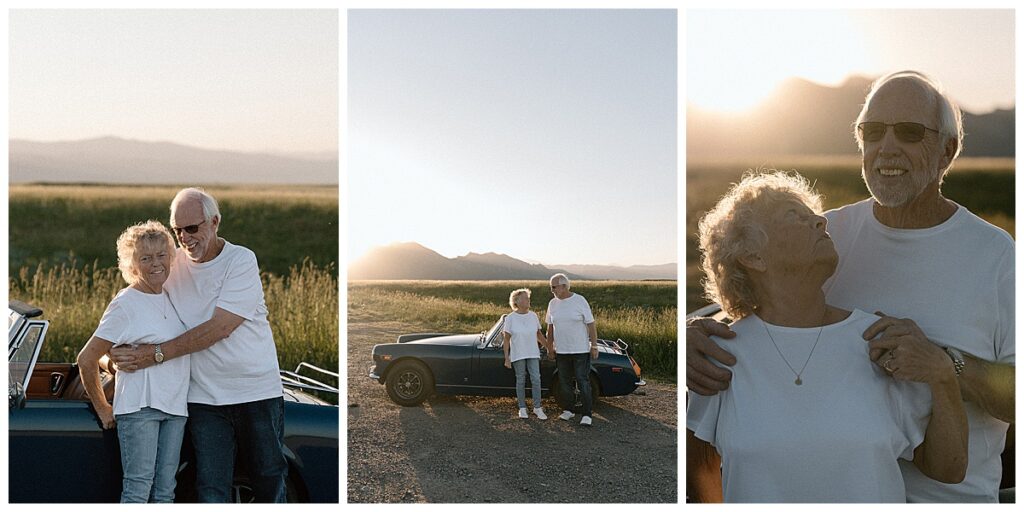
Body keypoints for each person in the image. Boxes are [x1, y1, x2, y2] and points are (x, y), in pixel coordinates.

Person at [687, 71, 1014, 502]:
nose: (887, 147)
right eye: (873, 132)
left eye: (910, 133)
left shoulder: (996, 254)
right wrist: (693, 331)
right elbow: (769, 306)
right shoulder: (829, 237)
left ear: (946, 152)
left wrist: (945, 364)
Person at [686, 171, 968, 503]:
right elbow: (701, 466)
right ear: (752, 257)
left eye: (814, 215)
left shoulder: (877, 339)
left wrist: (943, 375)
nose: (820, 221)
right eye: (794, 216)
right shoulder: (719, 354)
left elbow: (948, 469)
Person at [110, 188, 288, 503]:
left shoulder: (241, 260)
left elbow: (218, 328)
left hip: (256, 393)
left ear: (214, 222)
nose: (185, 238)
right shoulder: (171, 264)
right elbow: (132, 307)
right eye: (178, 232)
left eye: (192, 228)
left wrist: (154, 355)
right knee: (210, 488)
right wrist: (114, 359)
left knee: (268, 479)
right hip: (202, 399)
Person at [78, 221, 191, 503]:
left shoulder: (171, 296)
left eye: (161, 255)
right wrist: (103, 408)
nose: (156, 264)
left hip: (175, 408)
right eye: (146, 258)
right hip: (140, 409)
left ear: (170, 257)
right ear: (132, 264)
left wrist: (112, 361)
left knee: (165, 492)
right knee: (138, 490)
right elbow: (87, 358)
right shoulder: (125, 303)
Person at [545, 273, 599, 427]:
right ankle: (568, 410)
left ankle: (587, 414)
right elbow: (550, 327)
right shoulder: (552, 304)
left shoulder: (579, 300)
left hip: (580, 350)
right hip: (561, 351)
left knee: (583, 381)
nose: (552, 290)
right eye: (551, 287)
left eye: (554, 287)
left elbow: (591, 324)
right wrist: (550, 347)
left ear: (564, 286)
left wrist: (594, 346)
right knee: (564, 382)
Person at [502, 288, 551, 420]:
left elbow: (539, 335)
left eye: (528, 298)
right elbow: (506, 339)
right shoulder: (510, 318)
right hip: (518, 354)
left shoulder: (533, 316)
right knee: (521, 380)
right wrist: (507, 358)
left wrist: (549, 348)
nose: (528, 300)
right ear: (516, 301)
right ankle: (522, 408)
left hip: (533, 353)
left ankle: (537, 408)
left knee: (536, 379)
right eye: (525, 298)